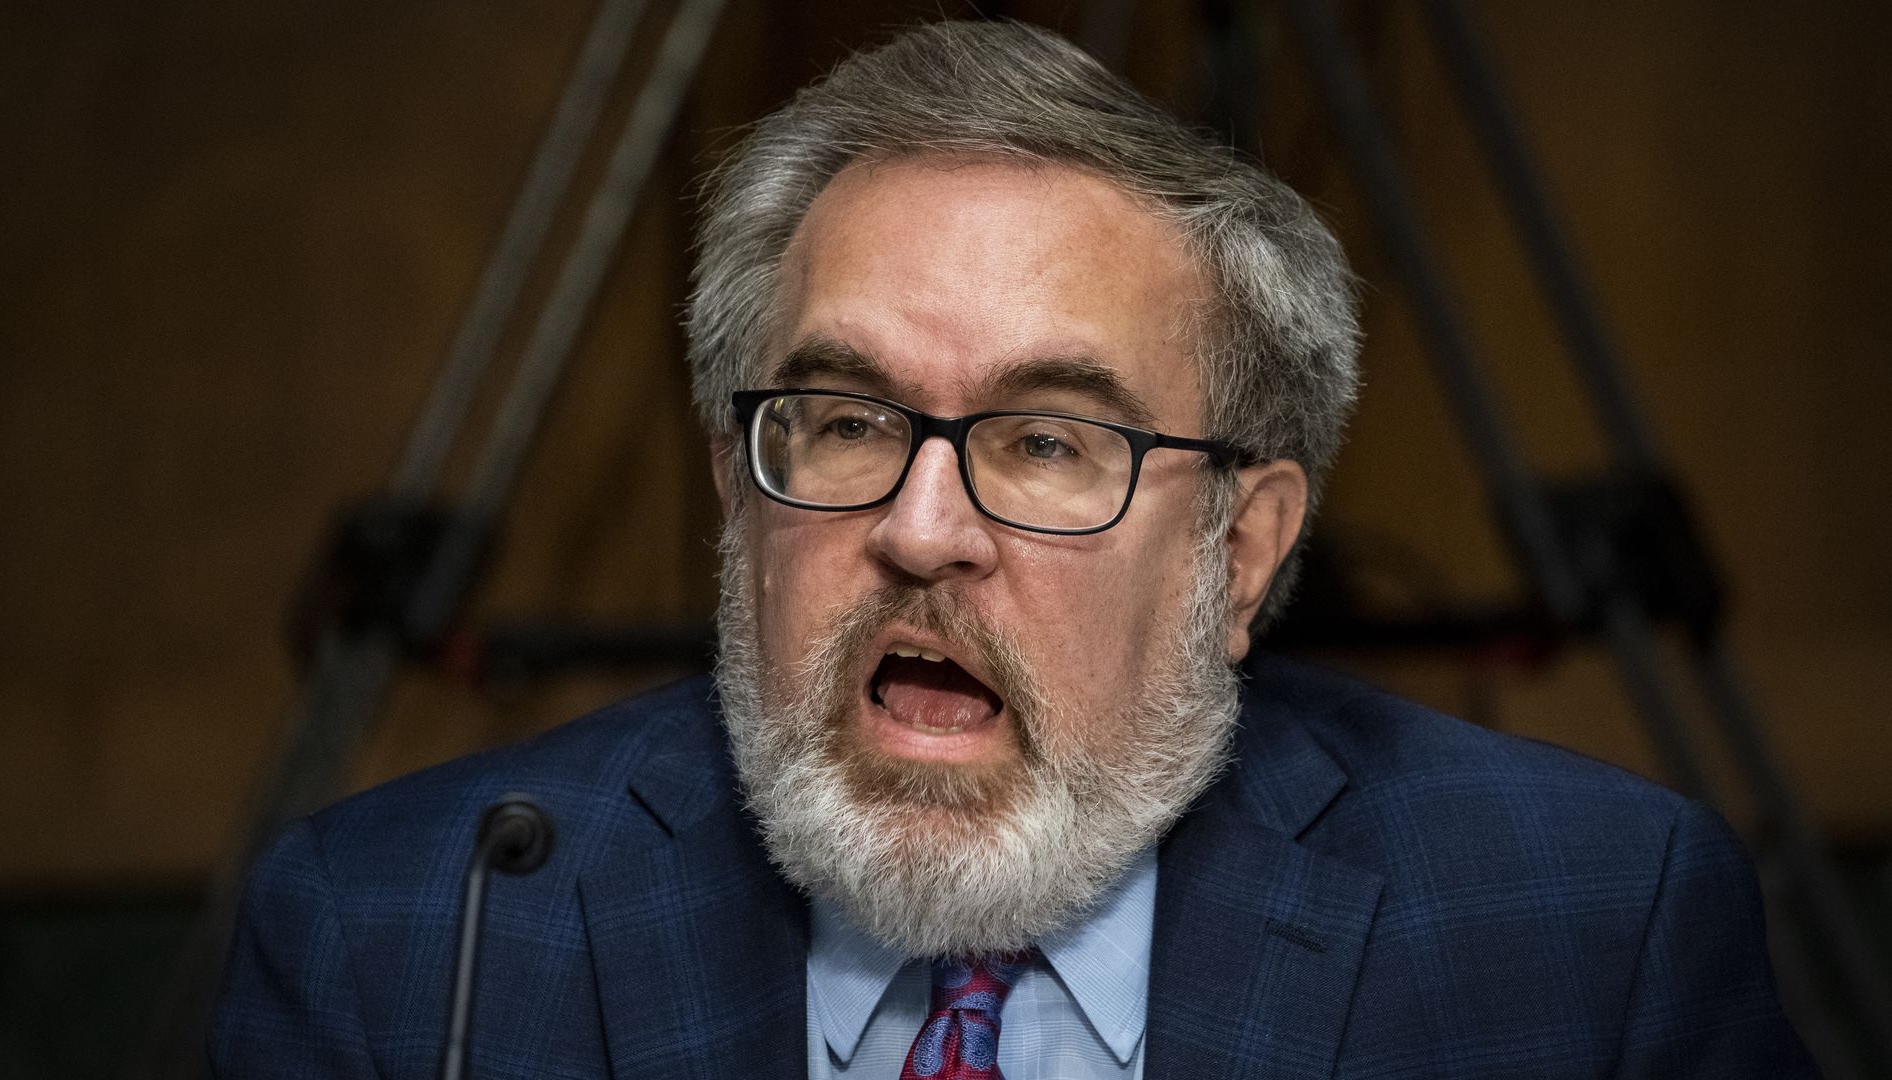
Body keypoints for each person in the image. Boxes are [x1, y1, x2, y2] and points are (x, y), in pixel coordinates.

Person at [210, 19, 1817, 1078]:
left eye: (1048, 444)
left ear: (1243, 552)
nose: (920, 533)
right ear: (732, 484)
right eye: (842, 423)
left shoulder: (1587, 936)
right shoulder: (413, 942)